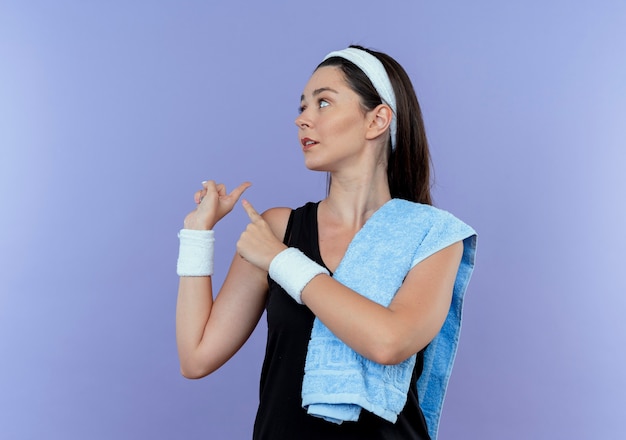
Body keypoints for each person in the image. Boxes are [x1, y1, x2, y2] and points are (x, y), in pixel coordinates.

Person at [175, 45, 477, 440]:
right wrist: (197, 234)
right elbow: (196, 356)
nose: (302, 119)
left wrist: (283, 262)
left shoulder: (433, 236)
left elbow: (389, 342)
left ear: (377, 120)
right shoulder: (278, 229)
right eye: (301, 107)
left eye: (323, 103)